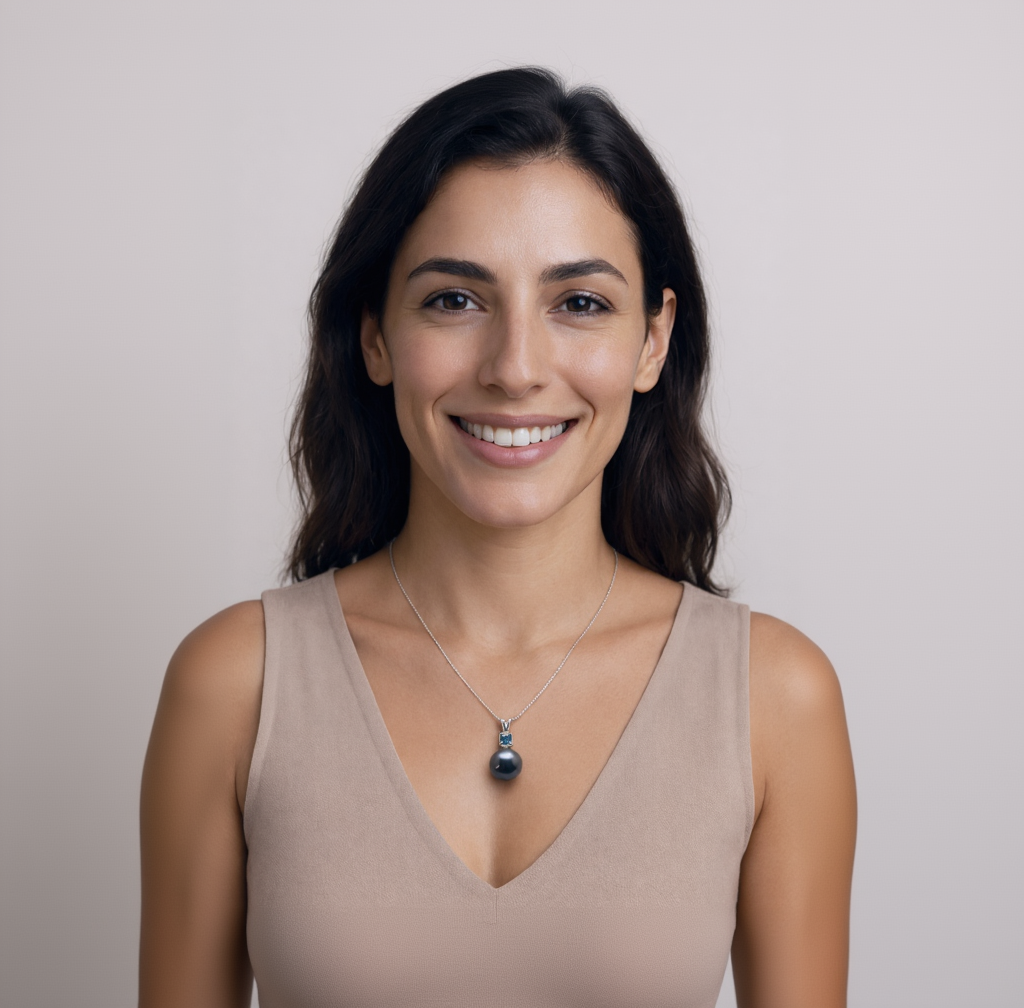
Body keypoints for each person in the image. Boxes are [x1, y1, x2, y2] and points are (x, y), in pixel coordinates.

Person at [140, 67, 856, 1008]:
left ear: (653, 340)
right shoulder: (234, 683)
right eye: (454, 300)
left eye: (581, 303)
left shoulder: (775, 700)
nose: (516, 369)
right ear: (375, 336)